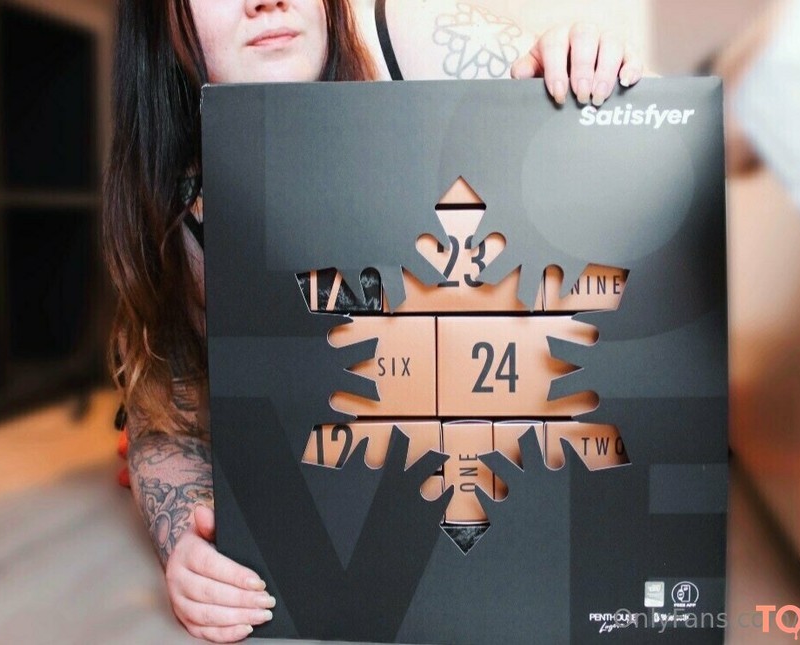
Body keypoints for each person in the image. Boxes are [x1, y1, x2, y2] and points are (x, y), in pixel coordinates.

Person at [103, 0, 643, 641]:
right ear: (160, 18)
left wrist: (582, 64)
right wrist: (185, 541)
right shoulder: (183, 204)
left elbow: (647, 166)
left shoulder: (411, 38)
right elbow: (163, 413)